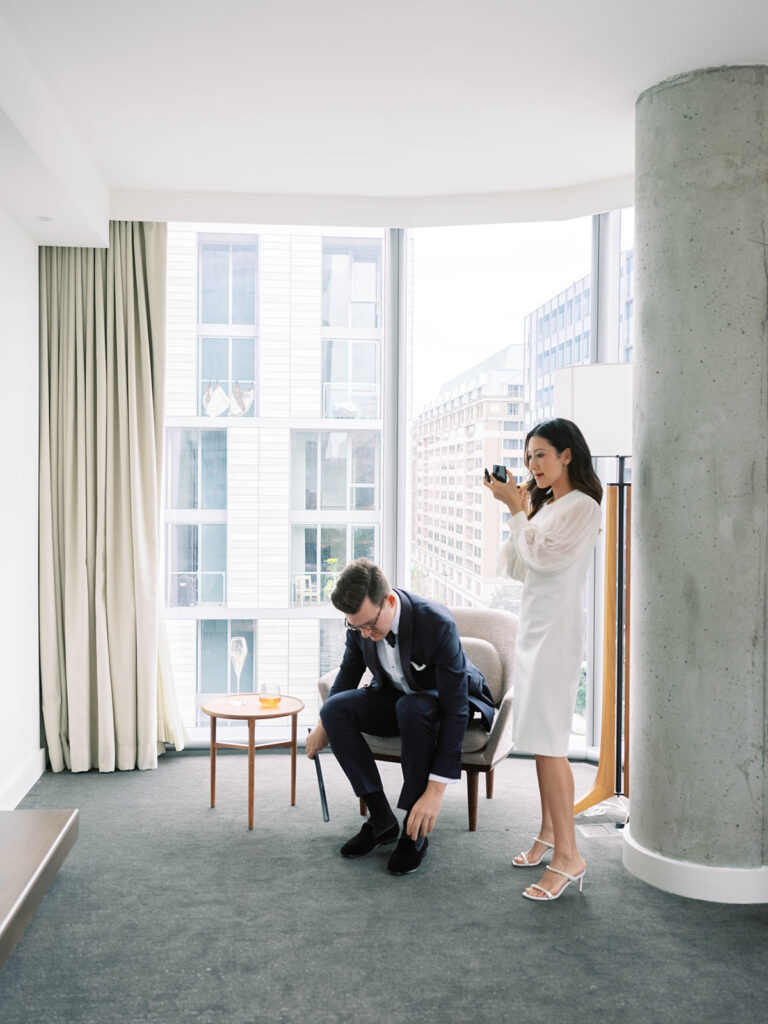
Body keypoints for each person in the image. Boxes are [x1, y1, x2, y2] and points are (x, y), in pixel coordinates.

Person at [306, 559, 495, 875]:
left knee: (413, 708)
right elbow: (350, 669)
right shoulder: (361, 626)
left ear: (390, 601)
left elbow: (455, 708)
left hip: (444, 699)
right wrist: (324, 723)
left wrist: (436, 791)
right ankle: (381, 821)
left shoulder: (436, 623)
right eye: (356, 627)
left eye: (370, 625)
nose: (365, 635)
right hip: (395, 696)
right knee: (334, 709)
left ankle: (415, 831)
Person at [484, 418, 602, 902]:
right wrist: (520, 509)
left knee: (552, 745)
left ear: (567, 455)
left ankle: (569, 857)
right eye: (529, 457)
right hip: (533, 630)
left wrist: (518, 513)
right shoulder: (548, 505)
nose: (533, 465)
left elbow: (545, 562)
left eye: (541, 455)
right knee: (539, 742)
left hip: (556, 636)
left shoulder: (584, 507)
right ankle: (550, 834)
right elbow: (514, 566)